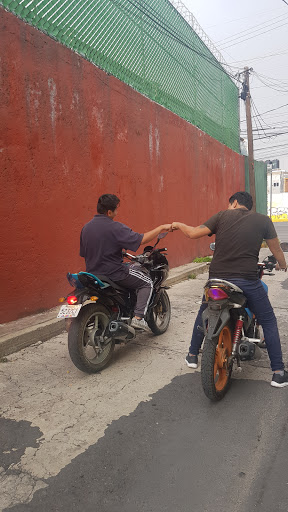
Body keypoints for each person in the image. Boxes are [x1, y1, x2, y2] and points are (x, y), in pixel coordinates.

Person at [172, 191, 288, 388]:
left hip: (216, 279)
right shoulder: (263, 220)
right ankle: (278, 372)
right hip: (247, 280)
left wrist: (178, 224)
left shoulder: (221, 215)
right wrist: (282, 264)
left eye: (229, 204)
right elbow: (276, 249)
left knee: (203, 312)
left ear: (234, 203)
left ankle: (192, 355)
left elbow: (192, 233)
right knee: (268, 320)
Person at [80, 194, 172, 332]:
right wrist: (160, 228)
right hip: (114, 273)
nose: (117, 212)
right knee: (146, 282)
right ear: (109, 212)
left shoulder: (86, 228)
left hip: (93, 273)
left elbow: (85, 253)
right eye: (116, 209)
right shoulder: (114, 227)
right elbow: (141, 239)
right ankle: (138, 318)